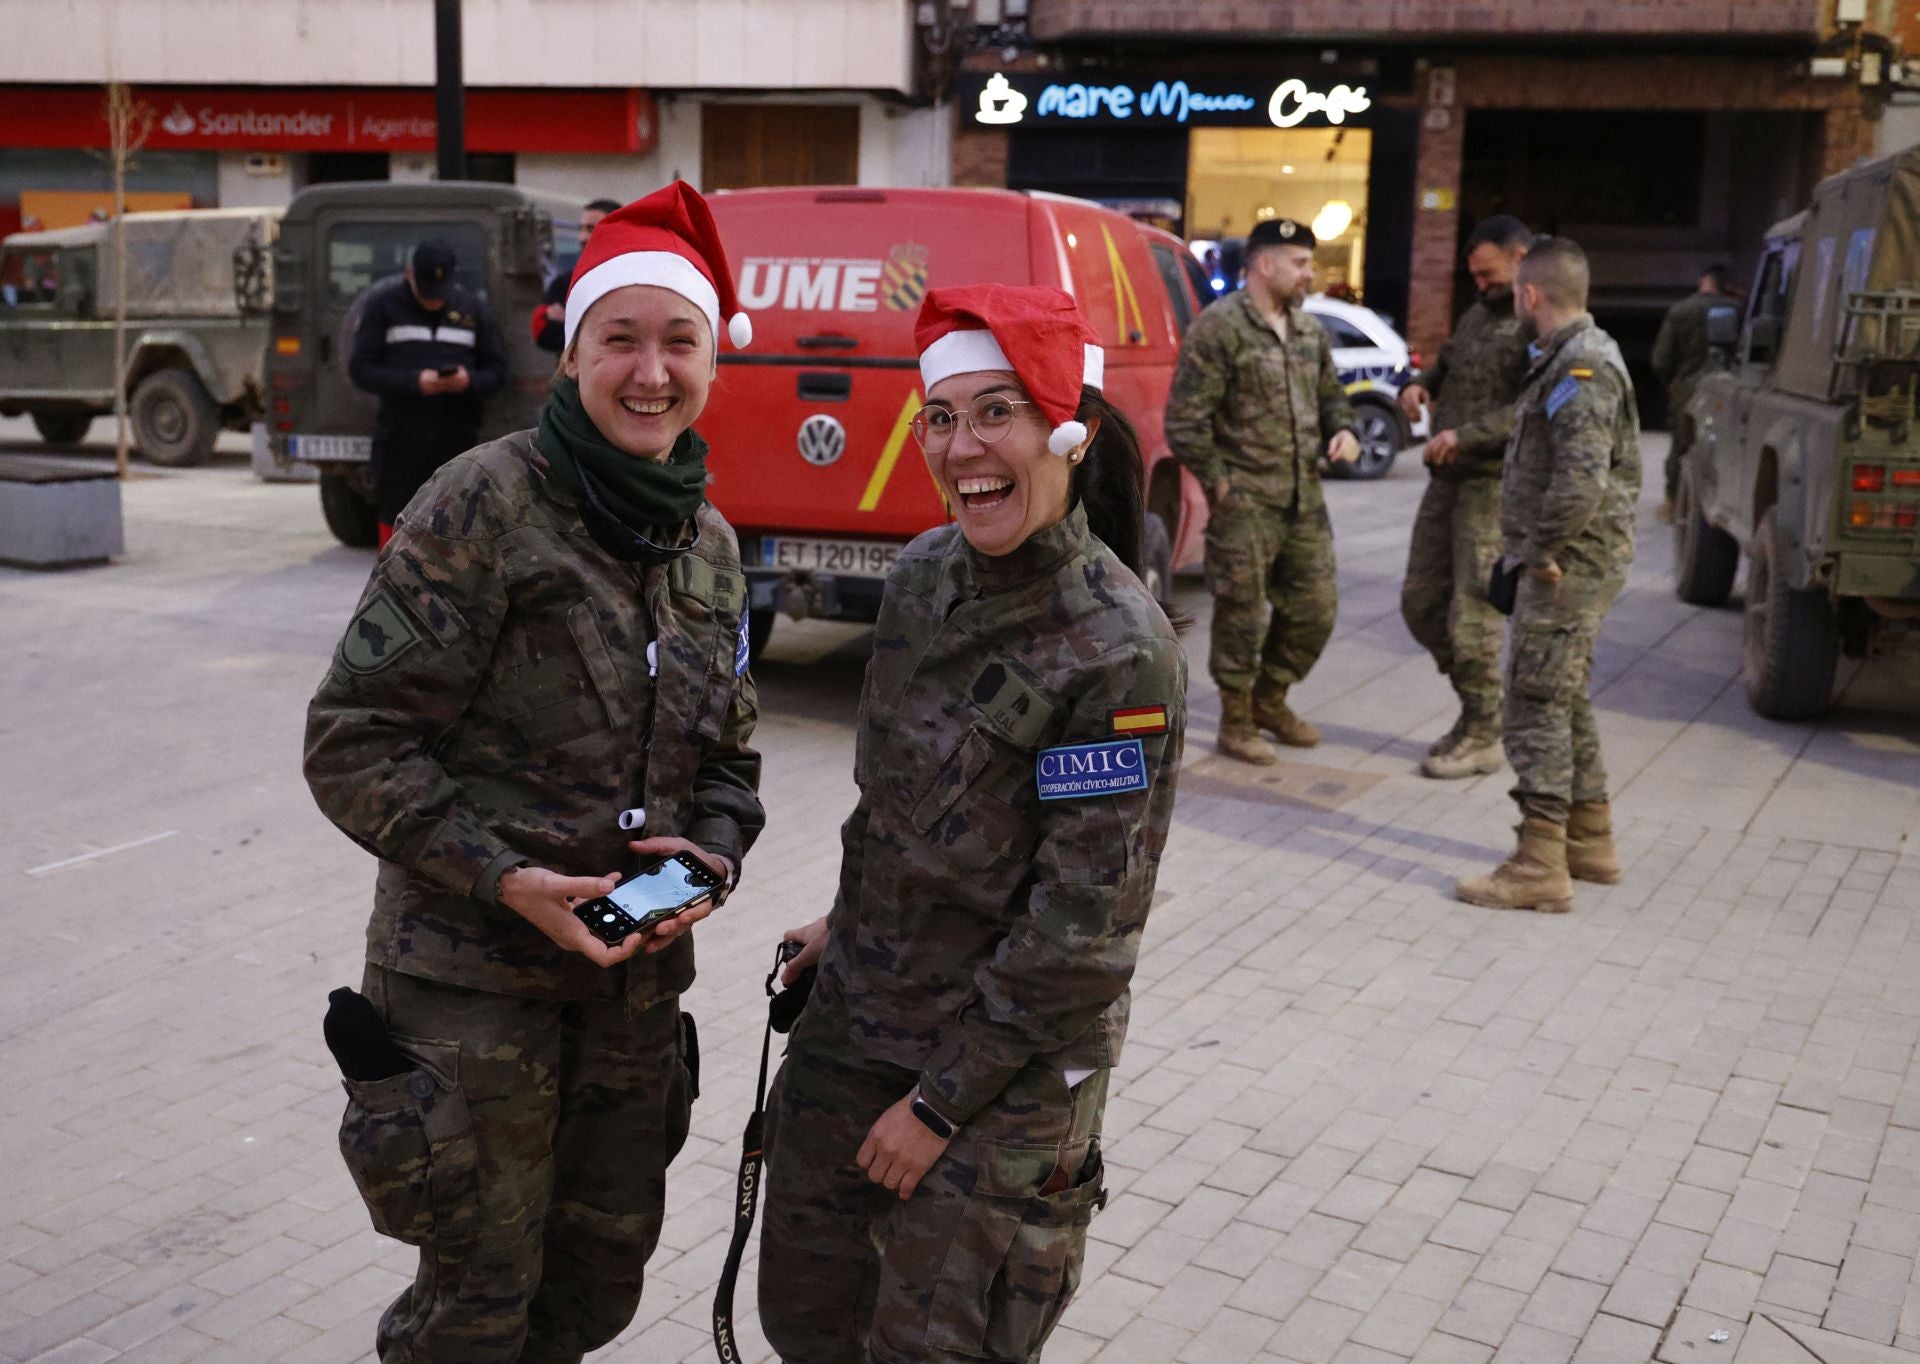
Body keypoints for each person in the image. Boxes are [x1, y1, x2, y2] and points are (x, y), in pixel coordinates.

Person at [304, 181, 765, 1363]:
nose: (650, 371)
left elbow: (732, 754)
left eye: (680, 341)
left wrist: (710, 852)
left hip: (630, 999)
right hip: (476, 995)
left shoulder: (707, 540)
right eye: (621, 338)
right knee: (473, 1303)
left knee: (592, 1290)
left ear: (715, 359)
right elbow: (352, 737)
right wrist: (507, 877)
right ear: (572, 351)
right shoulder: (482, 503)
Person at [758, 283, 1186, 1364]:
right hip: (861, 1016)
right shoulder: (917, 578)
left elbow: (1081, 935)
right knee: (806, 1314)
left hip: (1000, 1069)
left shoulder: (1117, 647)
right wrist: (844, 920)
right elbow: (892, 809)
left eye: (996, 411)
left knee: (930, 1345)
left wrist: (938, 1107)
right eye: (940, 416)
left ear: (1066, 428)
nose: (962, 447)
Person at [1457, 236, 1639, 915]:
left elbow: (1581, 482)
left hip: (1567, 565)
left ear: (1530, 294)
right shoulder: (1573, 360)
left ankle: (1538, 863)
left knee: (1532, 703)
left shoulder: (1582, 368)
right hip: (1574, 560)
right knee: (1565, 697)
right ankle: (1589, 840)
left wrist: (1534, 551)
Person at [1165, 216, 1360, 764]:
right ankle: (1236, 720)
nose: (1309, 274)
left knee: (1315, 610)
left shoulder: (1307, 330)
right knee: (1242, 615)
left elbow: (1332, 398)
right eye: (1300, 263)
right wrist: (1221, 485)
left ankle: (1271, 698)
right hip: (1246, 504)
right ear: (1264, 264)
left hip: (1303, 500)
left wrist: (1342, 427)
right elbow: (1184, 421)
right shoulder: (1220, 328)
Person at [1397, 214, 1533, 779]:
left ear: (1521, 257)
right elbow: (1447, 364)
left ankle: (1483, 730)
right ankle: (1484, 711)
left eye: (1488, 274)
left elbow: (1532, 410)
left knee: (1472, 617)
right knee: (1421, 604)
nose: (1479, 285)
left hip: (1490, 489)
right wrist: (1418, 384)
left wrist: (1465, 436)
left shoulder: (1536, 324)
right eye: (1474, 275)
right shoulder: (1479, 314)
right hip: (1445, 481)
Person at [347, 238, 509, 547]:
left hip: (457, 436)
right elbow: (362, 370)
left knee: (455, 518)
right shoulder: (383, 307)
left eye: (440, 292)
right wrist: (415, 382)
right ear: (409, 273)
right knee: (395, 515)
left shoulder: (473, 310)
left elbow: (497, 372)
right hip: (400, 434)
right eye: (426, 291)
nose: (434, 301)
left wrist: (468, 382)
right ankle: (392, 584)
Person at [1652, 262, 1730, 520]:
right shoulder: (1736, 310)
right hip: (1726, 390)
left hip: (1686, 388)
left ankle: (1675, 503)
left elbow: (1661, 360)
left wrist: (1674, 383)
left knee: (1680, 445)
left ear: (1702, 280)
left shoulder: (1681, 310)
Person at [534, 197, 622, 353]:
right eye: (581, 229)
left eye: (590, 229)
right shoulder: (566, 282)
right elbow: (542, 331)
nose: (582, 238)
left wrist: (570, 323)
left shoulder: (633, 279)